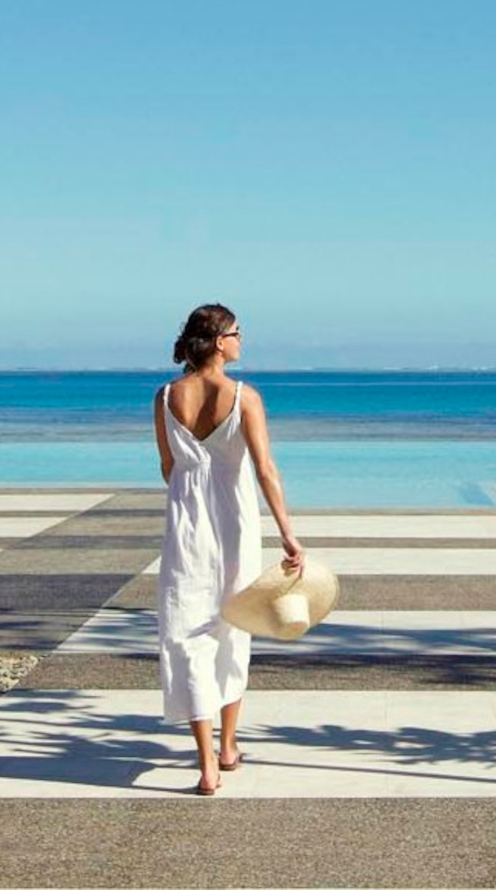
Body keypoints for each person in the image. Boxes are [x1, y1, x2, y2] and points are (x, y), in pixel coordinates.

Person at [153, 303, 304, 796]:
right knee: (234, 627)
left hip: (186, 529)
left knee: (188, 636)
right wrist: (287, 533)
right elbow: (265, 470)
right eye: (238, 333)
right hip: (235, 526)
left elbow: (168, 467)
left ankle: (207, 765)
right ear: (220, 341)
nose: (242, 340)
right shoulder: (244, 397)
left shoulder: (165, 396)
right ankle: (229, 745)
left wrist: (190, 494)